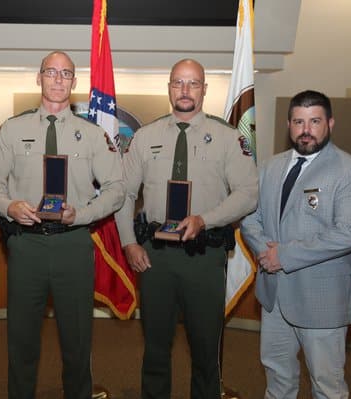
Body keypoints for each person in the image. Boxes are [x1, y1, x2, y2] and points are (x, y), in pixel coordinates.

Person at [0, 50, 125, 399]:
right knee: (21, 339)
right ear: (39, 77)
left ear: (74, 83)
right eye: (51, 72)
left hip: (72, 245)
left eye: (66, 74)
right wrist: (8, 206)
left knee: (77, 341)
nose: (58, 79)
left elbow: (117, 190)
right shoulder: (12, 130)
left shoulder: (92, 135)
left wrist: (83, 213)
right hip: (25, 244)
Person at [114, 59, 258, 398]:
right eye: (178, 82)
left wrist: (205, 219)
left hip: (204, 257)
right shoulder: (145, 136)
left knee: (206, 353)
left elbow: (249, 193)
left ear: (204, 89)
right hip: (155, 260)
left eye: (193, 83)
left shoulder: (228, 138)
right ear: (169, 88)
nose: (185, 90)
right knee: (155, 351)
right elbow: (124, 194)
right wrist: (129, 244)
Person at [240, 90, 351, 399]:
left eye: (314, 121)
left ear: (330, 123)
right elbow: (250, 217)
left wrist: (284, 255)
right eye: (299, 121)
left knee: (327, 387)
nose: (306, 130)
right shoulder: (269, 167)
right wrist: (265, 252)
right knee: (277, 380)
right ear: (288, 125)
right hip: (275, 297)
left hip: (321, 300)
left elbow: (350, 232)